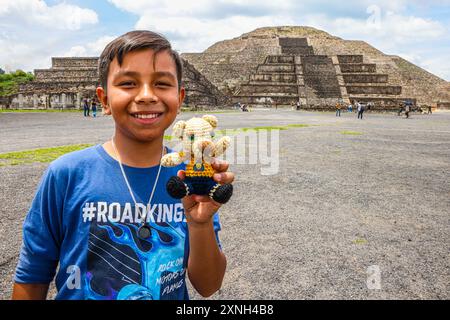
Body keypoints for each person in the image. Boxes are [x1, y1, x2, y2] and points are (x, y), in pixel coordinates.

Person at [12, 30, 232, 300]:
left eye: (162, 83)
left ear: (180, 97)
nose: (147, 95)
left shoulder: (189, 179)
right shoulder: (66, 174)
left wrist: (200, 224)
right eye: (128, 83)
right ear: (103, 100)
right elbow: (32, 275)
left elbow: (208, 286)